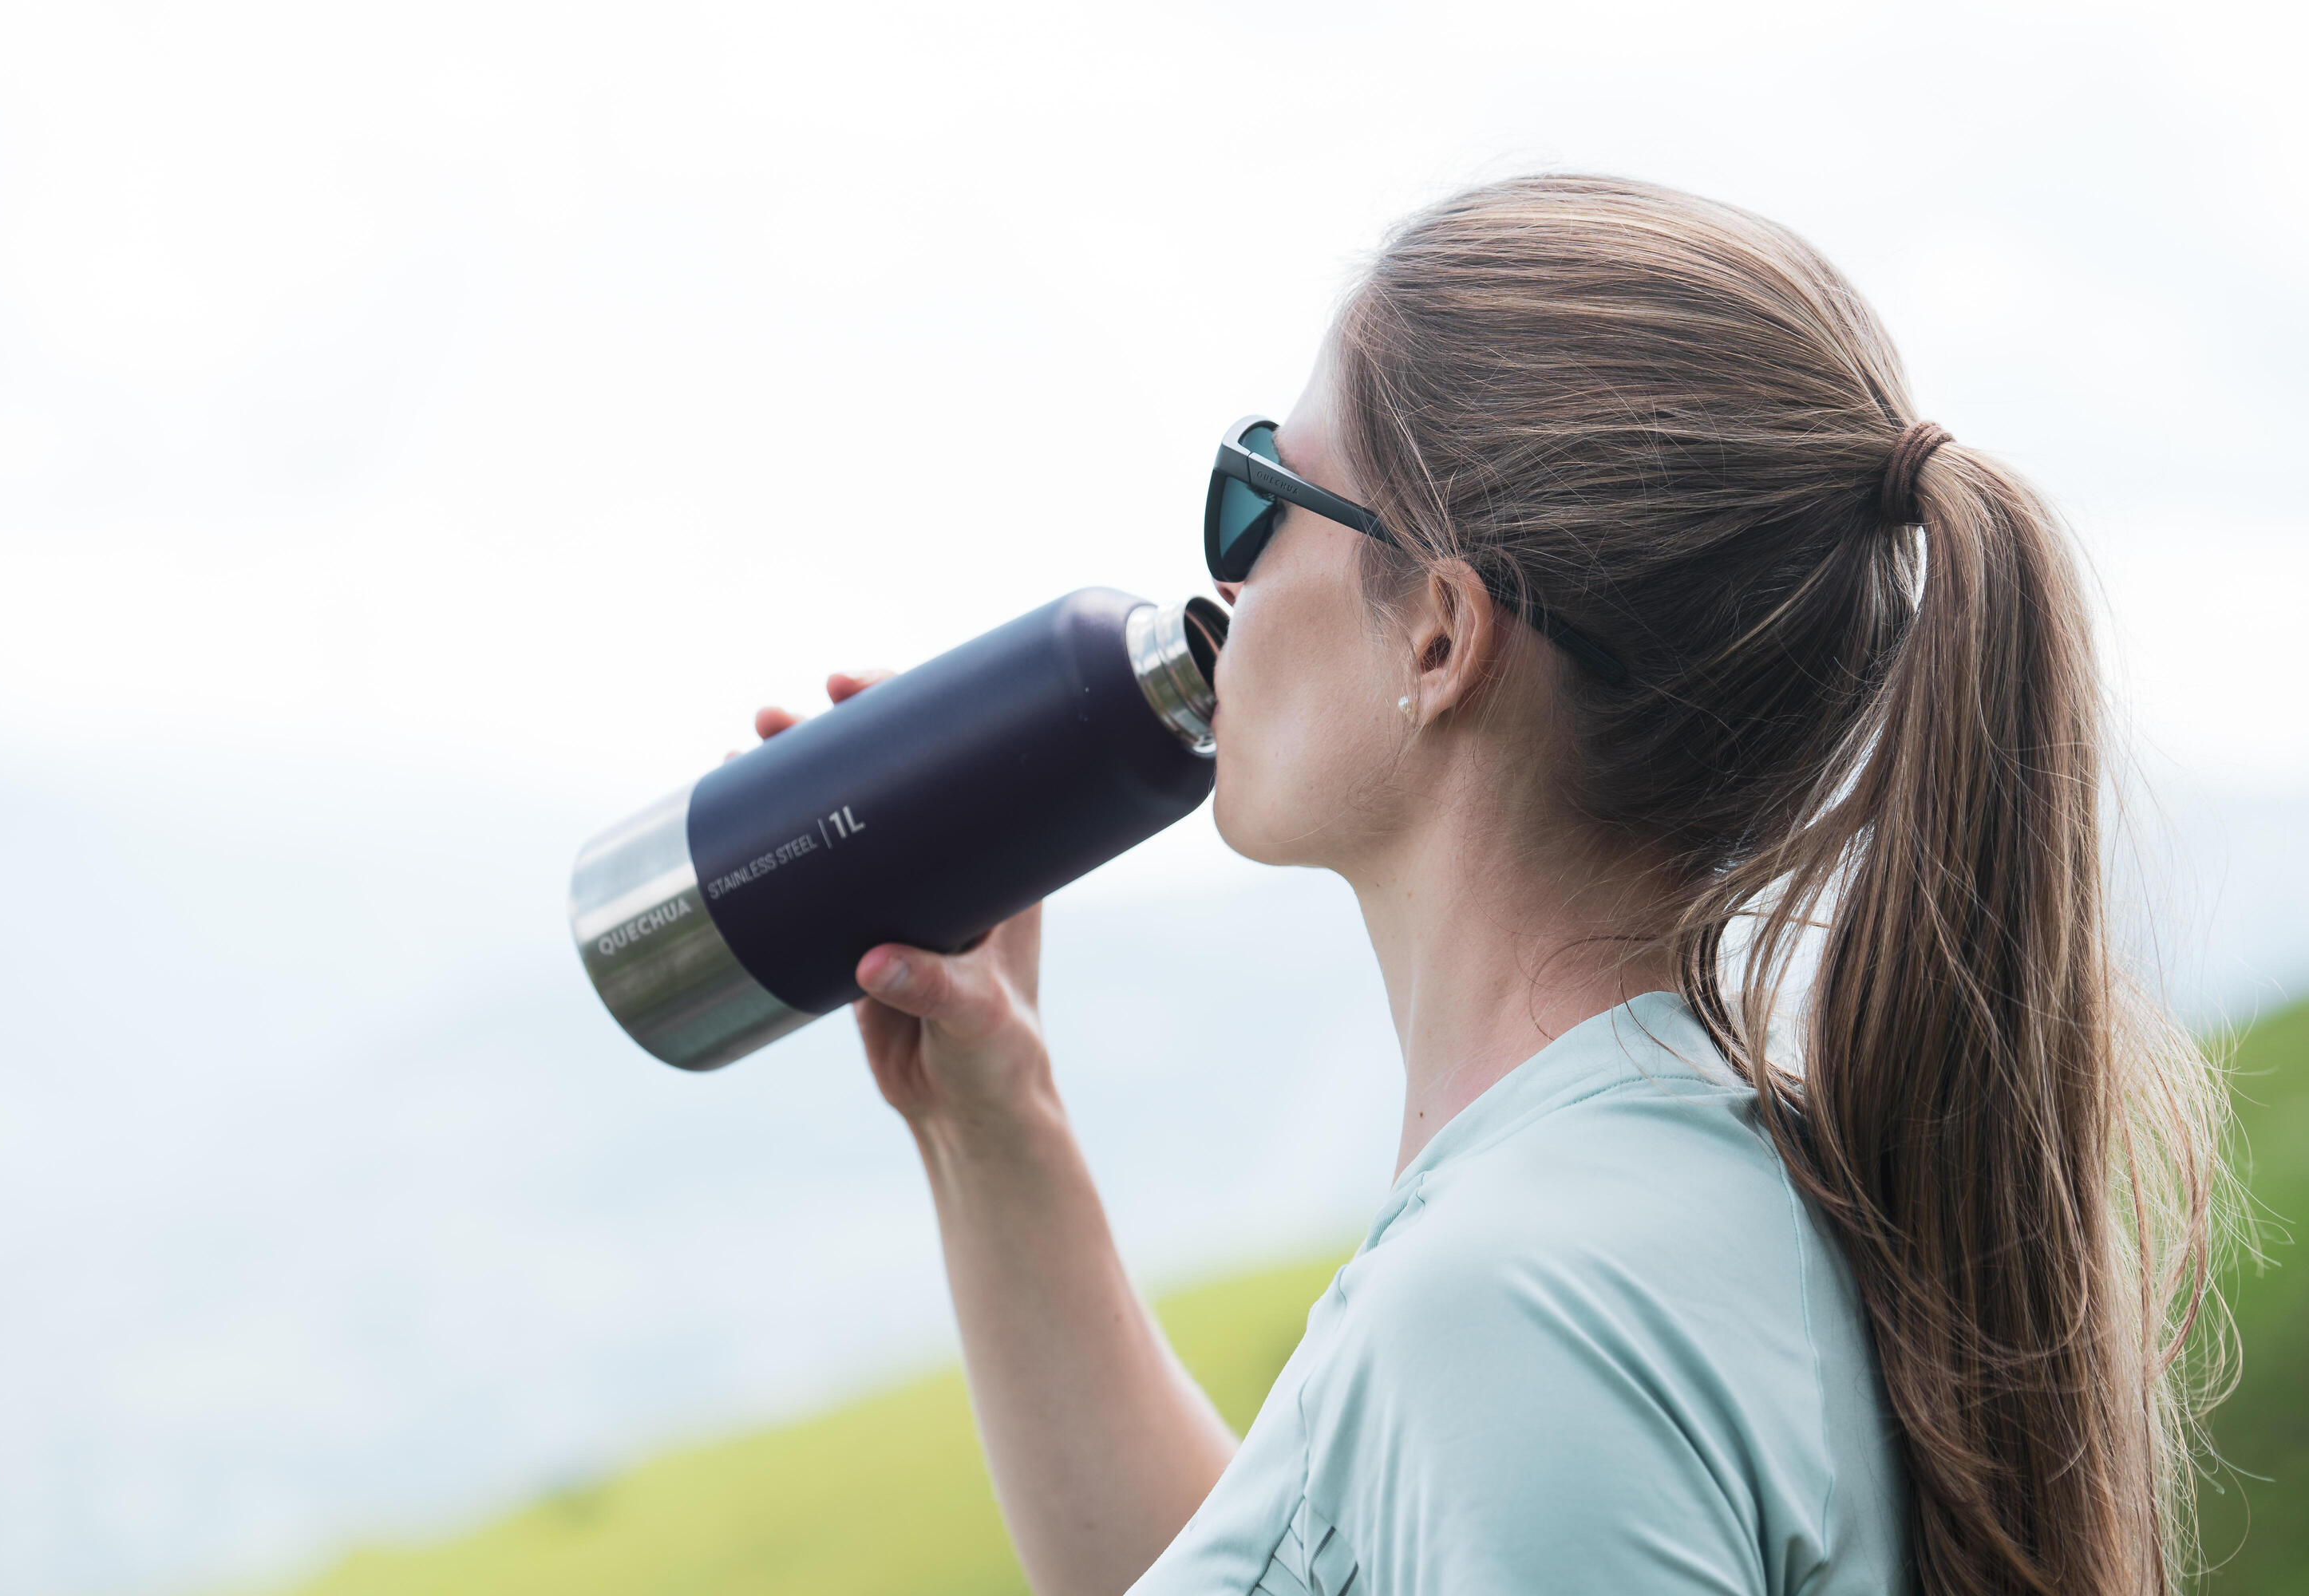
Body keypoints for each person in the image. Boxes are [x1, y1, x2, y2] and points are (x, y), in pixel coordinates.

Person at [752, 176, 2229, 1596]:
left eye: (1257, 495)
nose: (1225, 585)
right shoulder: (1676, 1193)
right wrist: (991, 1118)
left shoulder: (1521, 1303)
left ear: (1441, 639)